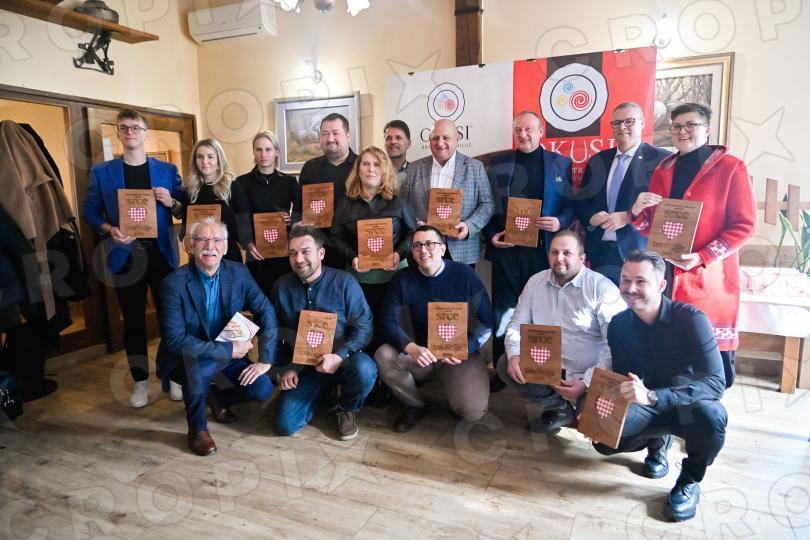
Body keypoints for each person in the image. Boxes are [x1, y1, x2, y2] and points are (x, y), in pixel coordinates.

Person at [592, 250, 727, 522]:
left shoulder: (691, 320)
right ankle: (657, 442)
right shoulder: (618, 325)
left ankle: (689, 481)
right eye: (625, 280)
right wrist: (597, 417)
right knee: (604, 441)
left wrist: (654, 396)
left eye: (641, 281)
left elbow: (715, 382)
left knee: (712, 418)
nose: (630, 288)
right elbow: (622, 379)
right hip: (644, 405)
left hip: (685, 406)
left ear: (661, 285)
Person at [630, 102, 756, 387]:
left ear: (707, 130)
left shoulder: (731, 168)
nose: (682, 131)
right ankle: (667, 408)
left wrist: (702, 256)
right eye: (676, 126)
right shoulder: (663, 169)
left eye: (690, 125)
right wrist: (637, 211)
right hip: (666, 275)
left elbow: (745, 226)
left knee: (708, 365)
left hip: (708, 276)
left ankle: (703, 409)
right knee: (667, 358)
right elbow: (651, 226)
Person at [83, 108, 184, 408]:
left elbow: (184, 208)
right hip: (125, 257)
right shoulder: (102, 172)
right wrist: (109, 229)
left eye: (135, 128)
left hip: (162, 255)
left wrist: (172, 201)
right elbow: (90, 212)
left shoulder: (167, 170)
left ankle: (174, 375)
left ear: (145, 133)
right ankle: (140, 383)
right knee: (134, 322)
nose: (130, 132)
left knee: (170, 319)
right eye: (124, 128)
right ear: (118, 133)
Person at [158, 218, 277, 456]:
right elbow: (175, 339)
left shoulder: (239, 272)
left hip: (227, 350)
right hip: (191, 355)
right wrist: (228, 350)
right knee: (198, 372)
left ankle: (216, 397)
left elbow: (265, 309)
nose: (209, 246)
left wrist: (265, 358)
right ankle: (197, 428)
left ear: (225, 247)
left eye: (217, 240)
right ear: (190, 246)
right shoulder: (173, 284)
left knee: (262, 388)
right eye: (202, 239)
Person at [496, 231, 625, 433]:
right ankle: (559, 409)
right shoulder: (535, 282)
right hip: (544, 366)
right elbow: (516, 324)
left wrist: (586, 382)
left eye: (567, 253)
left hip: (588, 373)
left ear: (582, 258)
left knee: (595, 429)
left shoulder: (602, 288)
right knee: (505, 364)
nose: (559, 258)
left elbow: (615, 345)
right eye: (554, 252)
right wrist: (514, 354)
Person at [483, 111, 574, 387]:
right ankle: (502, 369)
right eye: (518, 130)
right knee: (503, 312)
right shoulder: (499, 163)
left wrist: (560, 222)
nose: (523, 135)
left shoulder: (561, 163)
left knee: (544, 311)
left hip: (544, 251)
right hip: (507, 250)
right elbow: (486, 204)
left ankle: (541, 371)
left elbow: (573, 205)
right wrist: (491, 236)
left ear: (540, 131)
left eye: (528, 129)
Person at [375, 225, 494, 432]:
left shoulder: (464, 274)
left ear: (442, 248)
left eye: (430, 244)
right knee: (383, 355)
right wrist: (411, 347)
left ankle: (457, 394)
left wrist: (467, 347)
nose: (423, 250)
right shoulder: (402, 279)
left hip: (459, 356)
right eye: (417, 245)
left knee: (473, 411)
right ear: (412, 252)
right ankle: (414, 404)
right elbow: (387, 320)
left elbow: (486, 320)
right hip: (421, 354)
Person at [271, 226, 376, 440]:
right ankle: (324, 394)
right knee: (285, 425)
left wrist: (339, 356)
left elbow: (365, 328)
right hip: (304, 367)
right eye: (293, 253)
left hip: (344, 361)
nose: (299, 259)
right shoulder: (281, 287)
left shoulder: (345, 282)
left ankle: (347, 408)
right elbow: (274, 333)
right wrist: (286, 367)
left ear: (321, 253)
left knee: (365, 369)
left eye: (305, 252)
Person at [330, 145, 416, 350]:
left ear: (384, 169)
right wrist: (352, 257)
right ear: (358, 169)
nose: (371, 169)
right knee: (364, 329)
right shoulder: (345, 203)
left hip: (395, 277)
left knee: (395, 327)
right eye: (366, 164)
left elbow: (413, 233)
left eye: (376, 164)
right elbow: (335, 236)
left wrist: (398, 254)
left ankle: (392, 368)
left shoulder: (399, 202)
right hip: (359, 278)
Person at [575, 103, 671, 285]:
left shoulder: (661, 160)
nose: (622, 127)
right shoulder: (598, 160)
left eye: (629, 121)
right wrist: (591, 217)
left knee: (636, 303)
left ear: (642, 123)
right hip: (600, 251)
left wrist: (628, 217)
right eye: (617, 122)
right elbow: (581, 202)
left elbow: (665, 208)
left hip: (639, 253)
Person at [400, 119, 495, 266]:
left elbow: (487, 204)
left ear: (457, 138)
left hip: (462, 251)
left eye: (446, 137)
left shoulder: (475, 167)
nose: (440, 143)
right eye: (435, 138)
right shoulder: (413, 169)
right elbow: (403, 205)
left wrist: (468, 226)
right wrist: (415, 224)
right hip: (423, 250)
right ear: (429, 140)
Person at [236, 130, 300, 296]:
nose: (263, 154)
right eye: (258, 149)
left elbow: (300, 211)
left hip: (283, 249)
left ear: (276, 152)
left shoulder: (289, 182)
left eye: (268, 149)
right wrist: (248, 244)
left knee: (284, 294)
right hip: (256, 251)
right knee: (258, 296)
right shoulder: (242, 182)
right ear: (254, 152)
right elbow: (241, 217)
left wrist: (292, 222)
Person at [298, 113, 357, 269]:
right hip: (319, 249)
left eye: (335, 133)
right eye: (325, 134)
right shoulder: (310, 168)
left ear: (348, 136)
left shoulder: (361, 166)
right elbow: (299, 208)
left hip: (354, 249)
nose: (330, 138)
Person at [178, 138, 250, 263]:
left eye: (210, 157)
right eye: (199, 157)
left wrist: (248, 243)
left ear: (219, 161)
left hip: (228, 256)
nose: (204, 161)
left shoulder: (233, 188)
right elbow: (185, 228)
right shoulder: (189, 191)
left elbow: (244, 227)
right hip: (199, 257)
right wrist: (186, 239)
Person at [383, 119, 412, 188]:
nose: (393, 142)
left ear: (409, 143)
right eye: (388, 138)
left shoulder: (416, 172)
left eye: (398, 138)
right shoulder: (375, 171)